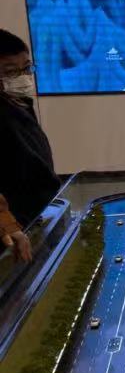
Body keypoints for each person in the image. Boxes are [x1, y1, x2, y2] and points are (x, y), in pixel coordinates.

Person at [0, 30, 60, 259]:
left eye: (26, 68)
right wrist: (8, 225)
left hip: (31, 219)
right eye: (10, 72)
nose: (22, 77)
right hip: (12, 231)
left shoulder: (19, 104)